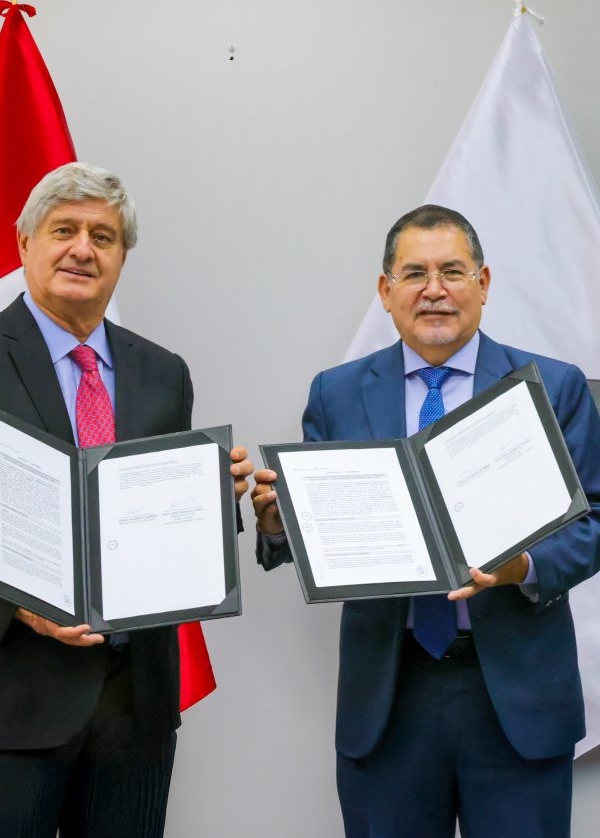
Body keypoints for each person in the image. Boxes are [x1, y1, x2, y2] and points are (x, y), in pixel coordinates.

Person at [252, 204, 600, 838]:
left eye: (453, 271)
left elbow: (594, 521)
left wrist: (523, 566)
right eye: (414, 273)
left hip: (517, 696)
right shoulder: (336, 392)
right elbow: (317, 533)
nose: (434, 289)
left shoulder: (552, 386)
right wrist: (280, 523)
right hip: (390, 699)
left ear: (483, 284)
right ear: (386, 291)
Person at [0, 162, 254, 837]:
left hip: (136, 705)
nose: (83, 249)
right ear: (25, 241)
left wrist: (217, 496)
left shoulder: (162, 372)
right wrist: (18, 604)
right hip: (14, 702)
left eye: (103, 237)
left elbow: (166, 526)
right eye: (64, 230)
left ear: (122, 257)